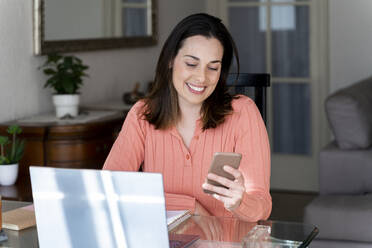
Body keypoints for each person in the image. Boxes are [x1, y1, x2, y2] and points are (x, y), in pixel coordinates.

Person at [103, 13, 271, 222]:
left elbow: (262, 206)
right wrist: (190, 207)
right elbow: (110, 189)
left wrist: (240, 202)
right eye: (192, 64)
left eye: (213, 67)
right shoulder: (142, 115)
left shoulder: (243, 113)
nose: (202, 77)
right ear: (171, 60)